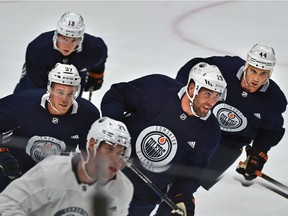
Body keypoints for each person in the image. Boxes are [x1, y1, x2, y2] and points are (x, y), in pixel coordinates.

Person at [101, 62, 227, 216]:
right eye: (207, 94)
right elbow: (118, 94)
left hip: (144, 197)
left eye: (216, 96)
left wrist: (182, 196)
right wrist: (112, 129)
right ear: (193, 88)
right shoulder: (157, 87)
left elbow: (191, 173)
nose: (211, 102)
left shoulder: (210, 132)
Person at [175, 44, 287, 190]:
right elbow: (194, 68)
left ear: (270, 74)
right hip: (200, 127)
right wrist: (180, 96)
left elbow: (270, 131)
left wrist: (257, 155)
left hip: (230, 145)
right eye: (253, 71)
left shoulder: (274, 100)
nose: (256, 79)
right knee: (169, 170)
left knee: (187, 187)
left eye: (263, 74)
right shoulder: (224, 68)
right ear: (246, 66)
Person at [0, 117, 134, 216]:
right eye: (109, 149)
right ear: (92, 145)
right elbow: (6, 204)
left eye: (120, 153)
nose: (116, 159)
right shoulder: (52, 171)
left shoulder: (122, 189)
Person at [0, 63, 100, 192]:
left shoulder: (88, 114)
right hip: (14, 168)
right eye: (60, 92)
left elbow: (90, 153)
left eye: (71, 93)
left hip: (55, 178)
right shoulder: (24, 103)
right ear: (50, 89)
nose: (65, 99)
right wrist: (2, 153)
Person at [14, 12, 108, 97]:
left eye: (73, 40)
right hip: (34, 87)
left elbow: (99, 62)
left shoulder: (95, 48)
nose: (68, 45)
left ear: (81, 39)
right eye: (64, 39)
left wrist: (95, 77)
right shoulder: (38, 49)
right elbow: (36, 84)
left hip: (71, 92)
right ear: (57, 36)